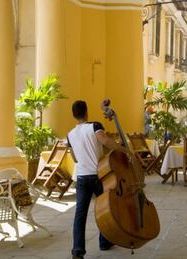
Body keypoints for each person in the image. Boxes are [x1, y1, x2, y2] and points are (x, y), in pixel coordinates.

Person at [67, 100, 122, 259]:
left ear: (73, 115)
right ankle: (104, 242)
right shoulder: (95, 126)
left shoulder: (70, 135)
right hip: (99, 175)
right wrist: (124, 149)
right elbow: (105, 141)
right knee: (105, 210)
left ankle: (78, 250)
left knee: (80, 214)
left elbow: (75, 158)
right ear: (86, 112)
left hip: (82, 177)